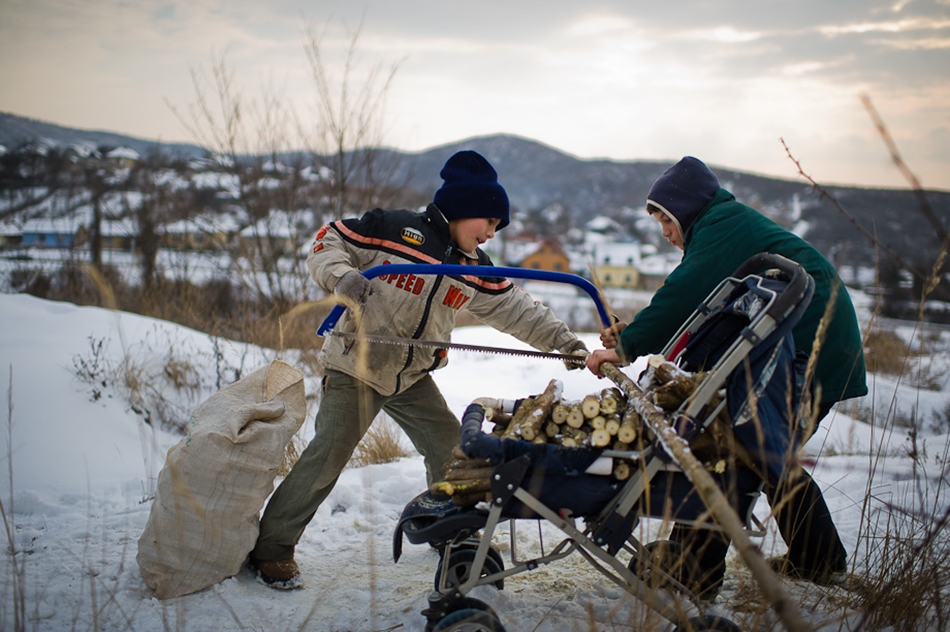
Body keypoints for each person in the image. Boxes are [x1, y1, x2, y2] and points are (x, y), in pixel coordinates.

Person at [250, 150, 589, 588]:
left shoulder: (475, 269)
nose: (491, 232)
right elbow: (326, 239)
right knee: (329, 453)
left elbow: (519, 310)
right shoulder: (391, 229)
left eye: (497, 226)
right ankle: (273, 549)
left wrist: (567, 345)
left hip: (411, 378)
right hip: (357, 366)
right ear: (462, 209)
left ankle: (453, 533)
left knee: (450, 448)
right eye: (488, 221)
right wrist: (341, 277)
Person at [586, 156, 867, 598]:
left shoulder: (722, 224)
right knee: (755, 453)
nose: (664, 231)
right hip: (798, 347)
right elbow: (703, 314)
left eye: (665, 218)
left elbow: (683, 293)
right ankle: (806, 560)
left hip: (812, 350)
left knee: (751, 452)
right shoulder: (721, 227)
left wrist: (624, 349)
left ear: (685, 208)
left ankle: (703, 568)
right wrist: (636, 334)